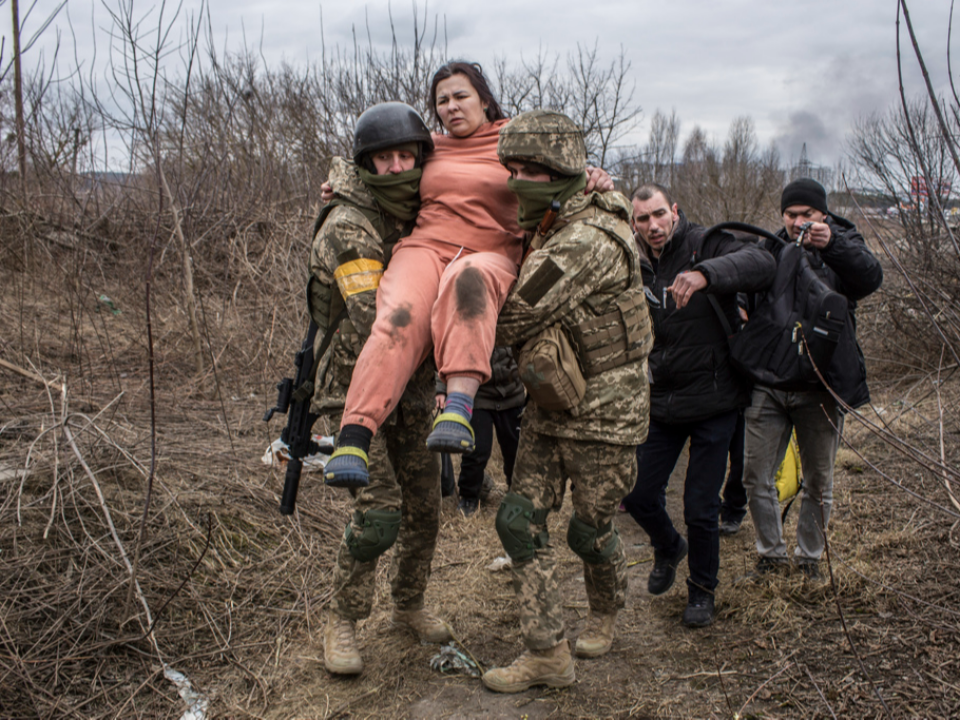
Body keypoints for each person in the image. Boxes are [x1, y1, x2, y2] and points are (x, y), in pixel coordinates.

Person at [322, 61, 611, 488]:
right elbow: (381, 167)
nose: (452, 107)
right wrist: (340, 185)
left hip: (490, 251)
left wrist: (593, 176)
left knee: (468, 282)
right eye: (442, 101)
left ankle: (458, 408)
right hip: (424, 247)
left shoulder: (514, 137)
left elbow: (557, 170)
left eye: (461, 96)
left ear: (483, 98)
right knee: (397, 316)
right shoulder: (429, 146)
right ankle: (354, 435)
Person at [481, 110, 652, 693]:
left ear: (559, 172)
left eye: (530, 170)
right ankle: (548, 652)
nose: (516, 181)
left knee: (588, 530)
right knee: (517, 521)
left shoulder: (583, 240)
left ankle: (605, 611)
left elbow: (512, 317)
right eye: (512, 169)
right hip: (550, 407)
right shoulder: (556, 217)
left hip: (605, 416)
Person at [308, 102, 452, 675]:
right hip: (355, 393)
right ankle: (342, 618)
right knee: (380, 513)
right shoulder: (349, 224)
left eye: (405, 156)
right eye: (382, 159)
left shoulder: (423, 210)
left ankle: (408, 602)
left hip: (412, 386)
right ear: (364, 164)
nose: (396, 168)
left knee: (426, 506)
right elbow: (377, 320)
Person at [621, 184, 776, 627]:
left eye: (658, 215)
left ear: (674, 211)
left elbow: (762, 262)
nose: (652, 226)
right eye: (641, 219)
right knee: (637, 494)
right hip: (664, 400)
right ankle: (669, 546)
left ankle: (702, 591)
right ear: (633, 224)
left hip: (716, 400)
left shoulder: (705, 242)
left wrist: (706, 273)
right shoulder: (633, 262)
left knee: (700, 507)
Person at [741, 178, 882, 579]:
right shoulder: (771, 246)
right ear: (782, 215)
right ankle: (770, 555)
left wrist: (830, 244)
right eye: (791, 214)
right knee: (755, 475)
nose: (798, 221)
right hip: (770, 384)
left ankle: (809, 561)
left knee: (819, 481)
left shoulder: (845, 244)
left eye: (806, 214)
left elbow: (870, 279)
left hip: (821, 385)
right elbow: (745, 285)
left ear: (823, 213)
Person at [437, 346, 524, 516]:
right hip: (477, 394)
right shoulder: (463, 319)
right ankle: (469, 499)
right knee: (476, 451)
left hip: (512, 393)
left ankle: (517, 494)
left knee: (516, 450)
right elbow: (446, 349)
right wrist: (441, 389)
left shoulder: (512, 318)